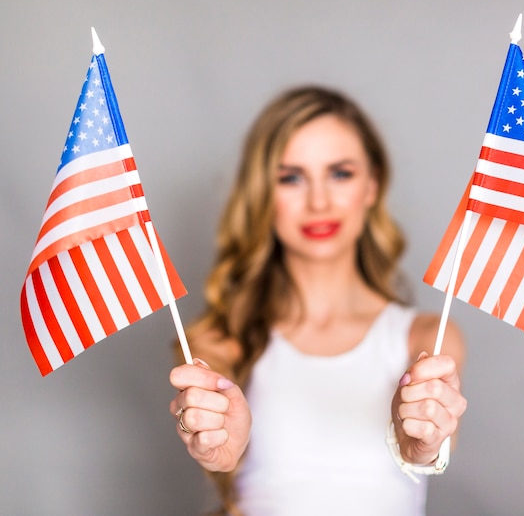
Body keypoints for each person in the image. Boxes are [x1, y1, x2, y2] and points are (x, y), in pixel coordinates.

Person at [169, 86, 466, 516]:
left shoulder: (426, 339)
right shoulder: (222, 341)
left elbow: (429, 450)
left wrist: (423, 445)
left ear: (371, 186)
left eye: (340, 173)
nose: (319, 201)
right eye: (290, 177)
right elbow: (222, 452)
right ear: (263, 195)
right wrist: (218, 449)